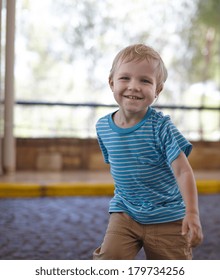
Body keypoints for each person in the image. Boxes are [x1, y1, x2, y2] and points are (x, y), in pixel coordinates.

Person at [93, 44, 203, 260]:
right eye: (125, 78)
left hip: (167, 217)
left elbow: (183, 172)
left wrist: (192, 213)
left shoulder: (161, 127)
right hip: (125, 212)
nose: (134, 86)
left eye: (145, 80)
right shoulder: (102, 127)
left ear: (157, 90)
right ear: (111, 82)